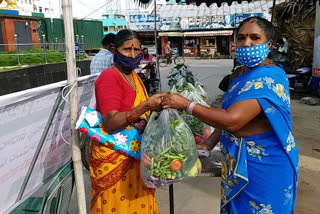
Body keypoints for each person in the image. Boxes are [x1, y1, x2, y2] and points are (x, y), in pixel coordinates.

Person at [162, 17, 298, 214]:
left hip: (265, 167)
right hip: (238, 163)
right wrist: (209, 142)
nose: (246, 43)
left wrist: (186, 104)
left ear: (268, 44)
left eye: (254, 38)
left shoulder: (270, 77)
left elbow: (232, 120)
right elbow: (227, 115)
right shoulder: (241, 76)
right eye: (241, 38)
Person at [90, 29, 164, 214]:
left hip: (135, 154)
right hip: (116, 156)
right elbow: (110, 122)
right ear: (114, 50)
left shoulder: (134, 76)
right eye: (126, 50)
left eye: (136, 50)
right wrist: (146, 105)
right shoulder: (109, 77)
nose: (132, 55)